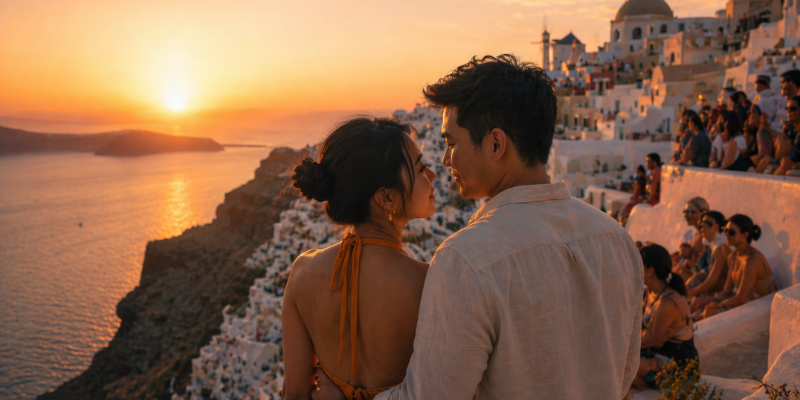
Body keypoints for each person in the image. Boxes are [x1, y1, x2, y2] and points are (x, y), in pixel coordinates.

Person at [313, 55, 643, 400]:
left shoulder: (467, 260)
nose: (445, 160)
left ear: (496, 144)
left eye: (452, 143)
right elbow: (622, 376)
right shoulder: (617, 240)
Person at [282, 117, 437, 400]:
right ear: (386, 198)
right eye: (420, 168)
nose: (433, 175)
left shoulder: (302, 271)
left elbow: (294, 393)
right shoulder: (430, 283)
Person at [635, 244, 698, 389]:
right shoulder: (651, 294)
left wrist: (642, 336)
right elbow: (646, 335)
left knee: (624, 368)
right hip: (659, 352)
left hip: (680, 362)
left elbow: (653, 340)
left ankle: (650, 381)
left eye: (638, 265)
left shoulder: (667, 302)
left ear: (650, 271)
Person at [697, 214, 776, 321]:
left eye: (731, 232)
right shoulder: (733, 256)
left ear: (745, 235)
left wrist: (719, 305)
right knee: (701, 307)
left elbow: (740, 297)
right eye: (725, 230)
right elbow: (727, 290)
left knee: (709, 313)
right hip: (744, 303)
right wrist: (712, 302)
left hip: (761, 306)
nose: (726, 234)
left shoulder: (752, 261)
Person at [687, 211, 731, 312]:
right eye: (701, 225)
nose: (702, 228)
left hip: (725, 294)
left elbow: (712, 281)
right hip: (717, 292)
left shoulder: (721, 248)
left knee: (695, 303)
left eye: (705, 225)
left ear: (716, 227)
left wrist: (689, 293)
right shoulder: (712, 245)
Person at [675, 197, 710, 282]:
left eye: (691, 212)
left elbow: (702, 266)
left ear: (703, 212)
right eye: (685, 212)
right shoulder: (697, 235)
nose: (686, 215)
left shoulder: (706, 236)